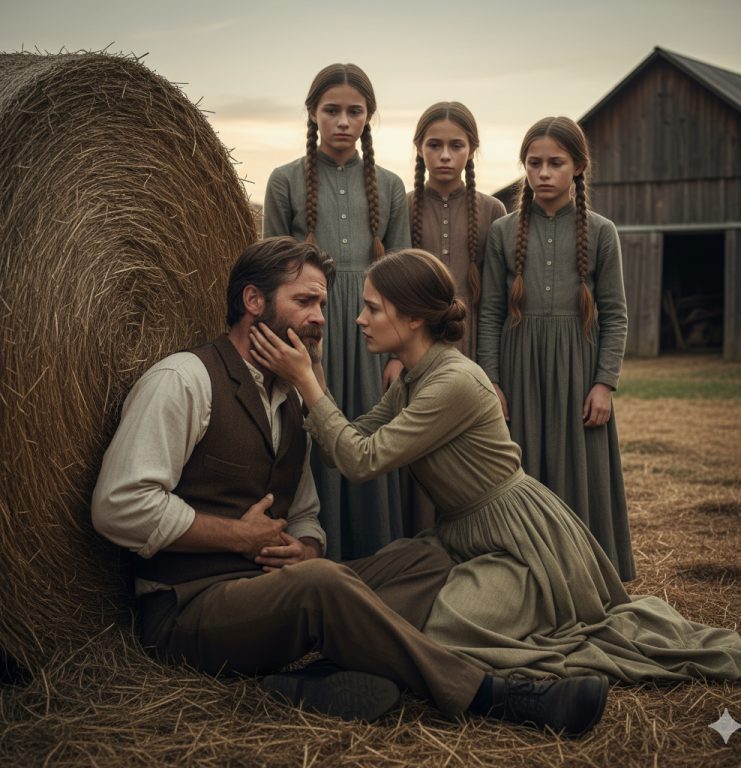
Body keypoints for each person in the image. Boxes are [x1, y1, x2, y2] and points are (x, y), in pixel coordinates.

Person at [91, 236, 609, 734]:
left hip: (268, 593)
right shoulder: (184, 380)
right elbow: (119, 507)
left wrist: (306, 546)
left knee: (428, 559)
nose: (323, 317)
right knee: (325, 582)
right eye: (305, 301)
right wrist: (237, 537)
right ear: (253, 300)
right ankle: (495, 695)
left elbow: (306, 510)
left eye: (323, 302)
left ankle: (313, 680)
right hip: (189, 608)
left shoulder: (293, 400)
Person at [250, 247, 741, 684]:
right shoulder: (412, 378)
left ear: (412, 319)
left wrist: (307, 385)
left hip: (518, 545)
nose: (358, 320)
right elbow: (353, 439)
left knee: (446, 630)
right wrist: (312, 374)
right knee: (372, 588)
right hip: (462, 536)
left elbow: (361, 462)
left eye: (371, 308)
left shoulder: (453, 382)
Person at [477, 116, 635, 581]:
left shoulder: (602, 231)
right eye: (534, 163)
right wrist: (492, 381)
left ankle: (585, 574)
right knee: (523, 469)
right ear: (524, 167)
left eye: (555, 163)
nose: (543, 173)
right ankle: (527, 574)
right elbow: (489, 313)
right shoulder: (504, 233)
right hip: (519, 366)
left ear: (579, 167)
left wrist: (605, 384)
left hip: (578, 370)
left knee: (580, 472)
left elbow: (616, 313)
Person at [263, 63, 410, 560]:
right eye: (332, 110)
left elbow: (402, 277)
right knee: (313, 433)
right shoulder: (284, 180)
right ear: (313, 113)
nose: (343, 121)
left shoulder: (390, 187)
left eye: (355, 111)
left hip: (374, 330)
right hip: (311, 327)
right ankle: (318, 555)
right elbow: (273, 272)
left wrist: (398, 355)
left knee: (369, 433)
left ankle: (375, 557)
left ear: (369, 117)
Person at [409, 101, 507, 361]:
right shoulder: (401, 206)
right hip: (415, 338)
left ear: (472, 149)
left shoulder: (493, 210)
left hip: (473, 339)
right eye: (434, 145)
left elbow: (497, 299)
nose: (444, 155)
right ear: (419, 148)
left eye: (456, 145)